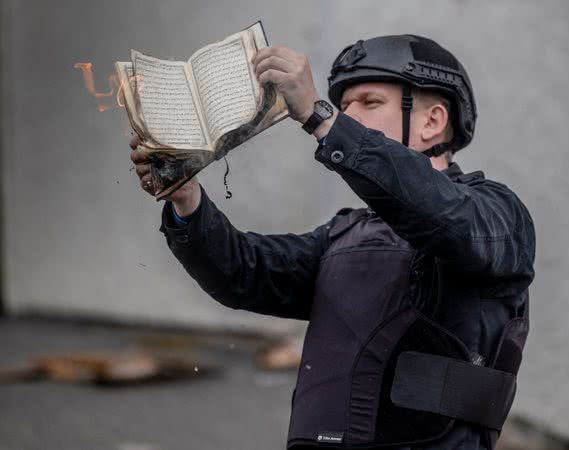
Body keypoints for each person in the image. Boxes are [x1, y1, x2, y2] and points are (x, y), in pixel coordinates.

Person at [130, 35, 536, 450]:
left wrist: (322, 118)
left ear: (432, 121)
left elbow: (443, 215)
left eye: (370, 102)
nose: (349, 114)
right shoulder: (346, 234)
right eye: (343, 106)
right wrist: (187, 199)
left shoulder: (498, 216)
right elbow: (244, 271)